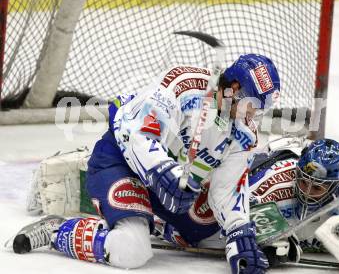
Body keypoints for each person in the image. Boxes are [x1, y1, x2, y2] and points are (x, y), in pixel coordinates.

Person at [11, 53, 280, 274]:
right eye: (252, 105)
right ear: (234, 89)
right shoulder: (184, 84)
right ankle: (57, 229)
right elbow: (136, 132)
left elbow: (227, 189)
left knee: (210, 228)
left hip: (171, 184)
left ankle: (157, 221)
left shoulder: (244, 133)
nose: (254, 114)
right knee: (131, 250)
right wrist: (165, 171)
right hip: (121, 159)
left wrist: (238, 232)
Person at [151, 138, 339, 274]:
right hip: (254, 169)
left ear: (336, 185)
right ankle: (150, 209)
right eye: (304, 182)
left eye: (318, 187)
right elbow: (227, 217)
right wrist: (264, 243)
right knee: (197, 230)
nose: (307, 192)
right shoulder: (275, 185)